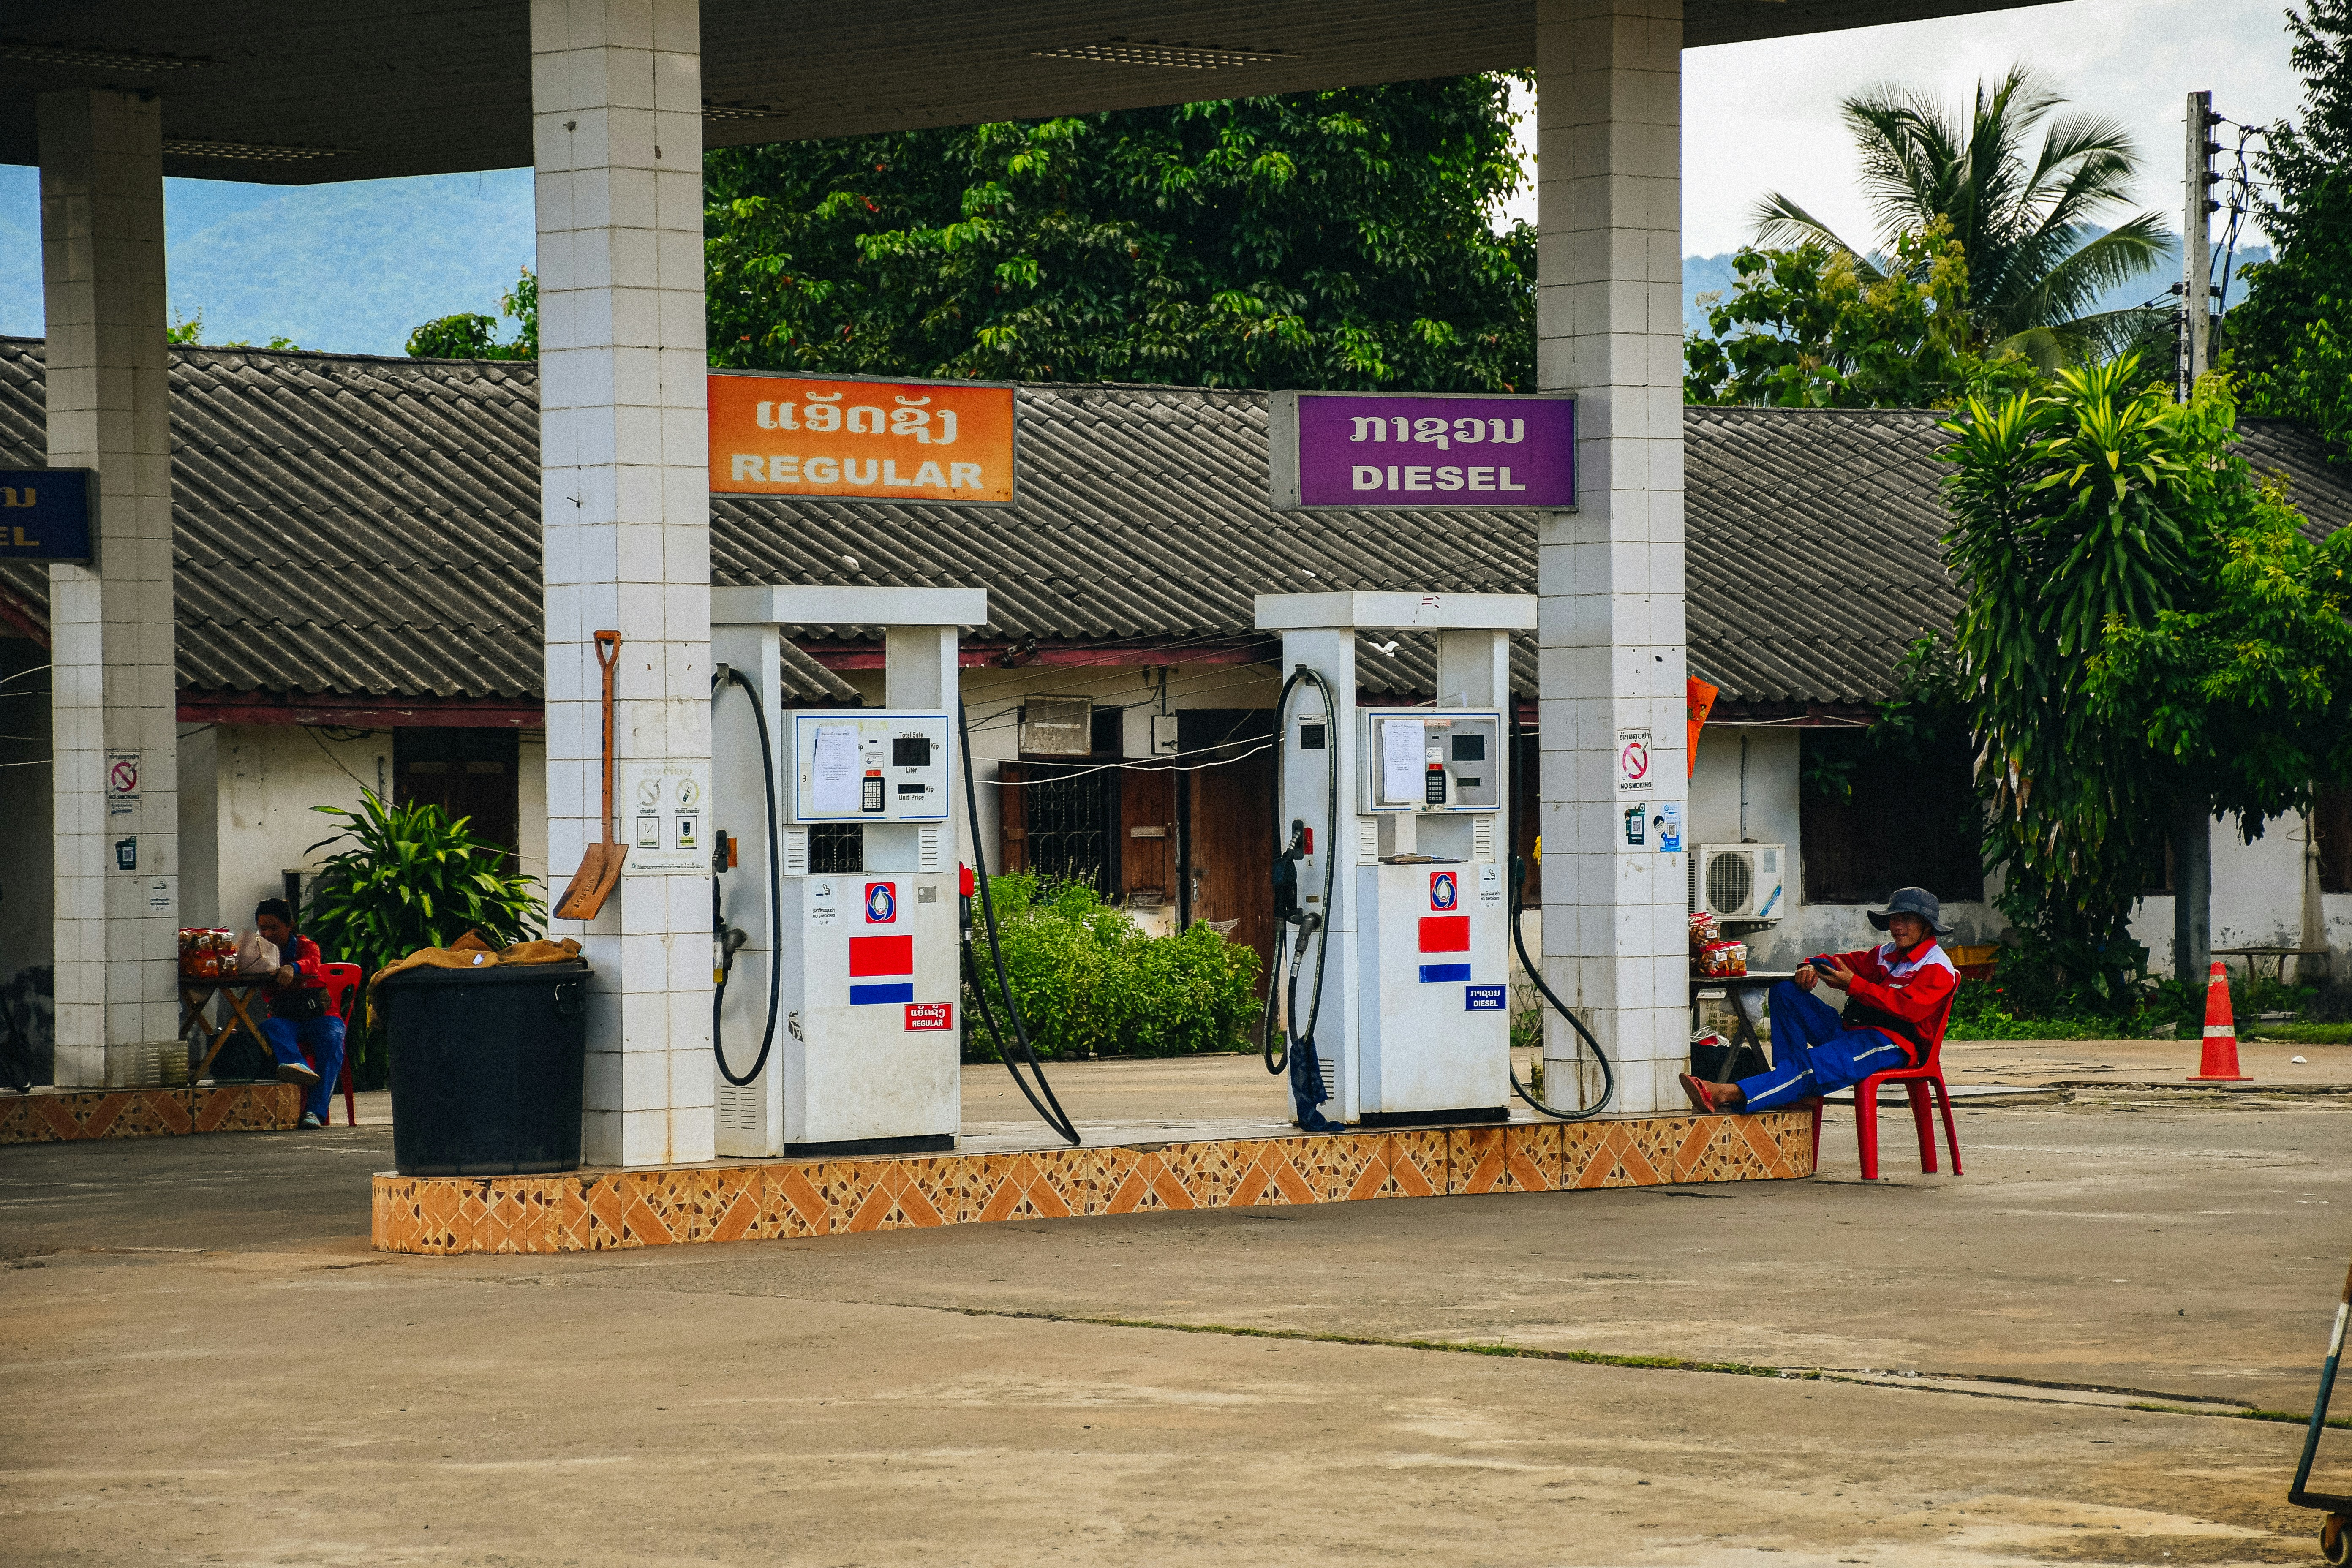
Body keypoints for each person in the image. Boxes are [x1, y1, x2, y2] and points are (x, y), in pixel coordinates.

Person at [1680, 887, 1959, 1113]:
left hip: (1892, 1044)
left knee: (1813, 1063)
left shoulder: (1937, 967)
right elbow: (1838, 962)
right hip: (1852, 1032)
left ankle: (1725, 1092)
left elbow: (1908, 1010)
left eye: (1906, 920)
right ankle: (1797, 1089)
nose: (1897, 927)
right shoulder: (1886, 953)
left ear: (1926, 926)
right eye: (1894, 919)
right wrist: (1810, 967)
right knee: (1786, 992)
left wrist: (1855, 985)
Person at [253, 898, 342, 1129]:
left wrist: (293, 968)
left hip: (321, 1017)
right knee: (270, 1027)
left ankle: (315, 1112)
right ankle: (298, 1066)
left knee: (333, 1041)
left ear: (290, 925)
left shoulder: (306, 946)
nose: (268, 933)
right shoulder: (257, 952)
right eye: (263, 928)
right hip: (286, 1020)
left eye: (274, 927)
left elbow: (312, 962)